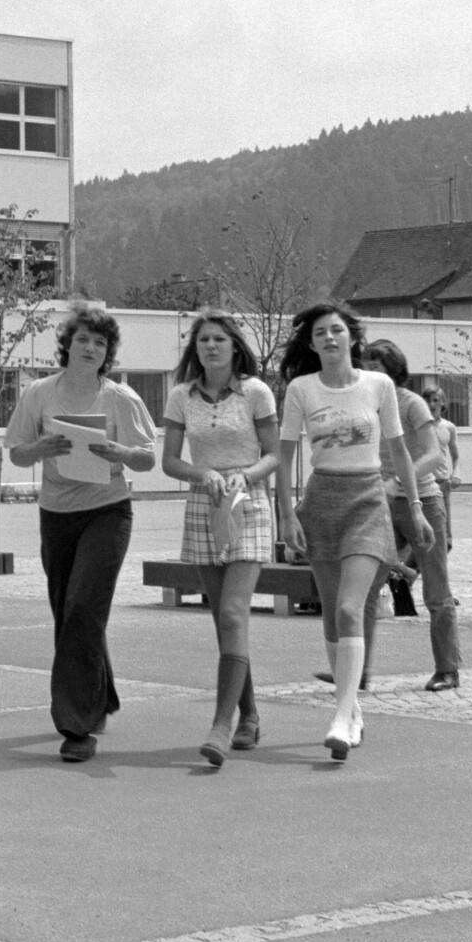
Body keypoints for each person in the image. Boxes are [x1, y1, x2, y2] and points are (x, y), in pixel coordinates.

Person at [276, 301, 431, 762]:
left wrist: (417, 507)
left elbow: (401, 453)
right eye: (320, 332)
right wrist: (287, 517)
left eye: (337, 330)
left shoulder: (379, 385)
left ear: (352, 338)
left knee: (349, 607)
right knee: (330, 614)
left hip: (367, 500)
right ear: (311, 343)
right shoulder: (301, 389)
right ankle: (353, 707)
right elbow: (284, 459)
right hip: (321, 501)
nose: (329, 338)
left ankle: (341, 717)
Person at [6, 303, 160, 761]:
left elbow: (148, 458)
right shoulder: (39, 393)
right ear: (67, 346)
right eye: (83, 340)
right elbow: (16, 453)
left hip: (107, 512)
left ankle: (76, 726)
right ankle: (102, 695)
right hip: (56, 514)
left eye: (100, 342)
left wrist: (120, 452)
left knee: (82, 607)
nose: (91, 348)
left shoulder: (120, 398)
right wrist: (40, 448)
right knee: (69, 612)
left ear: (107, 352)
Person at [158, 310, 280, 766]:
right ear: (196, 349)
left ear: (235, 347)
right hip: (203, 504)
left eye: (220, 340)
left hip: (248, 503)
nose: (211, 346)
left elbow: (273, 456)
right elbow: (169, 461)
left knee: (232, 612)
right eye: (204, 340)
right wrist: (202, 472)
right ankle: (248, 714)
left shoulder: (256, 392)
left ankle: (220, 727)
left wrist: (244, 477)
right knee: (223, 621)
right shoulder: (180, 397)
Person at [359, 340, 461, 694]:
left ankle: (447, 669)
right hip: (382, 502)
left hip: (424, 501)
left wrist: (399, 480)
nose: (369, 371)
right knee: (367, 585)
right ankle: (357, 670)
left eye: (376, 365)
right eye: (366, 364)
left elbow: (434, 454)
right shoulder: (366, 405)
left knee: (436, 589)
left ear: (393, 369)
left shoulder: (411, 403)